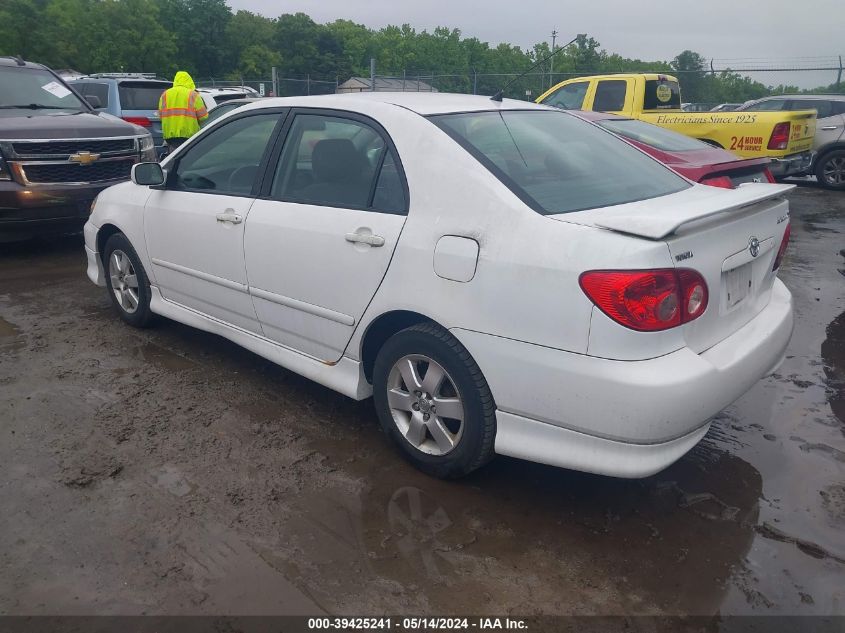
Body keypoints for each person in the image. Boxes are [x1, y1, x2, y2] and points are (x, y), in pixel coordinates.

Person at [158, 71, 208, 151]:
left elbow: (160, 116)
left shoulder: (165, 94)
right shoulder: (193, 94)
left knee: (172, 159)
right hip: (188, 135)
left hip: (170, 137)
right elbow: (203, 117)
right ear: (189, 81)